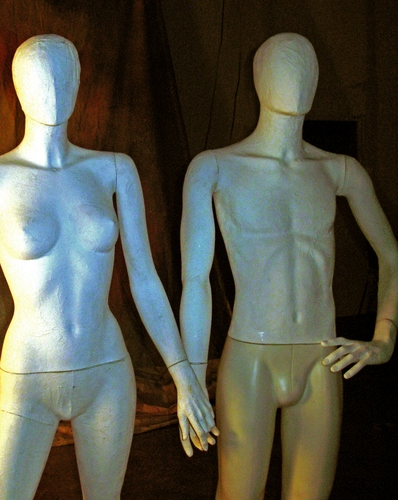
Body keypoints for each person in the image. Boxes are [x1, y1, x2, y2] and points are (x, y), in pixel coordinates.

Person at [0, 34, 218, 499]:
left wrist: (184, 376)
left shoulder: (114, 169)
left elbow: (145, 278)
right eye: (37, 76)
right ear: (17, 87)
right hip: (29, 375)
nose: (52, 86)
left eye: (64, 73)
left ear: (78, 81)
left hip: (107, 370)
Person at [180, 32, 398, 499]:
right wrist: (191, 378)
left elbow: (392, 255)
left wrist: (384, 339)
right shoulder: (215, 168)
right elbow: (195, 281)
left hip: (323, 358)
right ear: (258, 77)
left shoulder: (339, 170)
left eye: (306, 67)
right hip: (250, 361)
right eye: (283, 65)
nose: (296, 78)